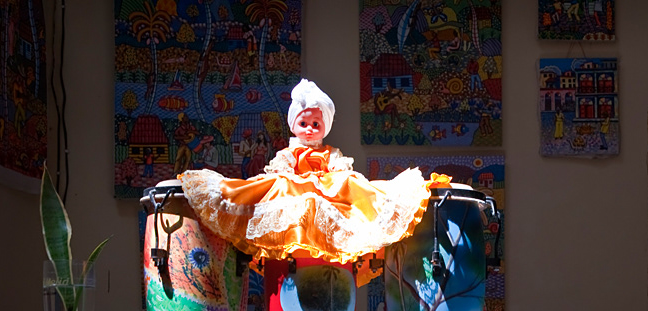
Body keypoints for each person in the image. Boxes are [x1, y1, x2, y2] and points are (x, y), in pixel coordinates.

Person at [179, 78, 448, 285]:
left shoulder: (330, 153)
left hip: (327, 192)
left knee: (349, 185)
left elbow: (340, 170)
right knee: (282, 188)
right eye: (304, 123)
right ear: (294, 125)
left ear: (324, 127)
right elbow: (280, 172)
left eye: (316, 124)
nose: (309, 129)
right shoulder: (289, 154)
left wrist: (335, 176)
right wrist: (294, 176)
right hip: (295, 189)